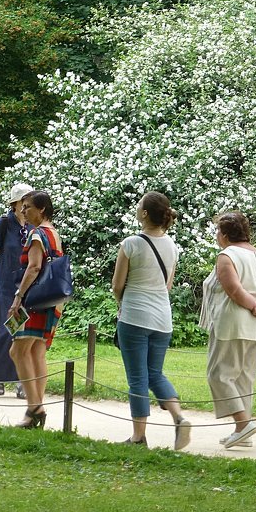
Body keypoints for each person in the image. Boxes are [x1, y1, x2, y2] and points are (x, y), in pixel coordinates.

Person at [111, 191, 191, 450]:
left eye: (139, 204)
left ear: (145, 213)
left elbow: (117, 285)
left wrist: (122, 302)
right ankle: (179, 417)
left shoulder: (131, 243)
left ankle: (138, 436)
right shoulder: (171, 245)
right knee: (154, 373)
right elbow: (167, 286)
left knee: (137, 377)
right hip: (162, 318)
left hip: (134, 316)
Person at [199, 212, 256, 449]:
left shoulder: (227, 255)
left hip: (232, 323)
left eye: (217, 232)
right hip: (254, 325)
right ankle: (241, 431)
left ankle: (243, 424)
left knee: (219, 374)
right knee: (244, 377)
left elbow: (233, 289)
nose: (216, 236)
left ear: (224, 234)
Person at [7, 190, 63, 429]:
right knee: (37, 352)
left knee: (17, 352)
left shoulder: (37, 234)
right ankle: (35, 409)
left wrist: (18, 298)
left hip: (34, 300)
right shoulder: (53, 233)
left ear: (41, 209)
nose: (22, 211)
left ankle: (35, 407)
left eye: (27, 207)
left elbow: (34, 267)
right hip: (53, 300)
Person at [0, 182, 33, 397]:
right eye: (24, 201)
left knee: (22, 330)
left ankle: (21, 380)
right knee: (3, 330)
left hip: (26, 284)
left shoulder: (32, 225)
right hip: (5, 285)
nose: (26, 206)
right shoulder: (3, 223)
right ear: (15, 203)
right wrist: (0, 275)